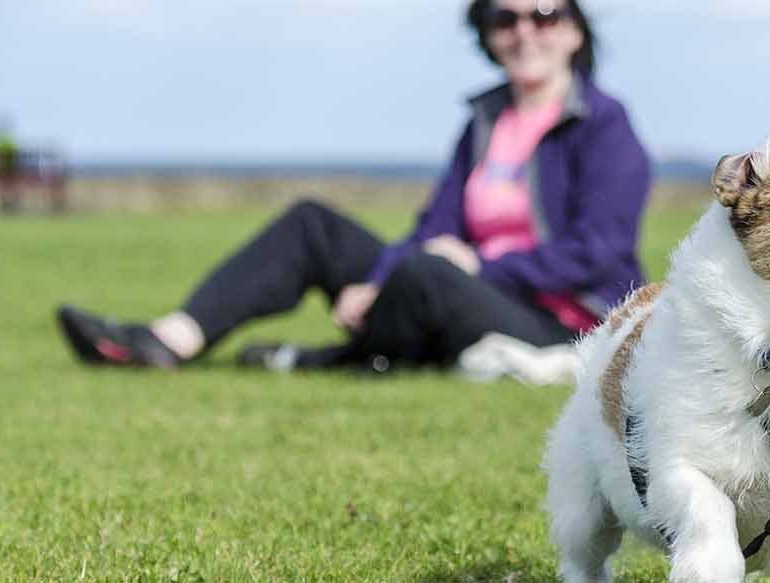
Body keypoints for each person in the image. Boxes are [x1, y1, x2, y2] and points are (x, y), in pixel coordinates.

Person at [56, 0, 651, 379]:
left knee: (426, 275)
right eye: (506, 18)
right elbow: (431, 230)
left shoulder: (603, 125)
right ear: (488, 33)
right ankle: (169, 340)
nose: (525, 31)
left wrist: (477, 264)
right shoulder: (485, 121)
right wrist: (376, 280)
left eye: (543, 14)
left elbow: (596, 252)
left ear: (574, 31)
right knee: (315, 223)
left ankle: (327, 360)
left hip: (560, 322)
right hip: (450, 286)